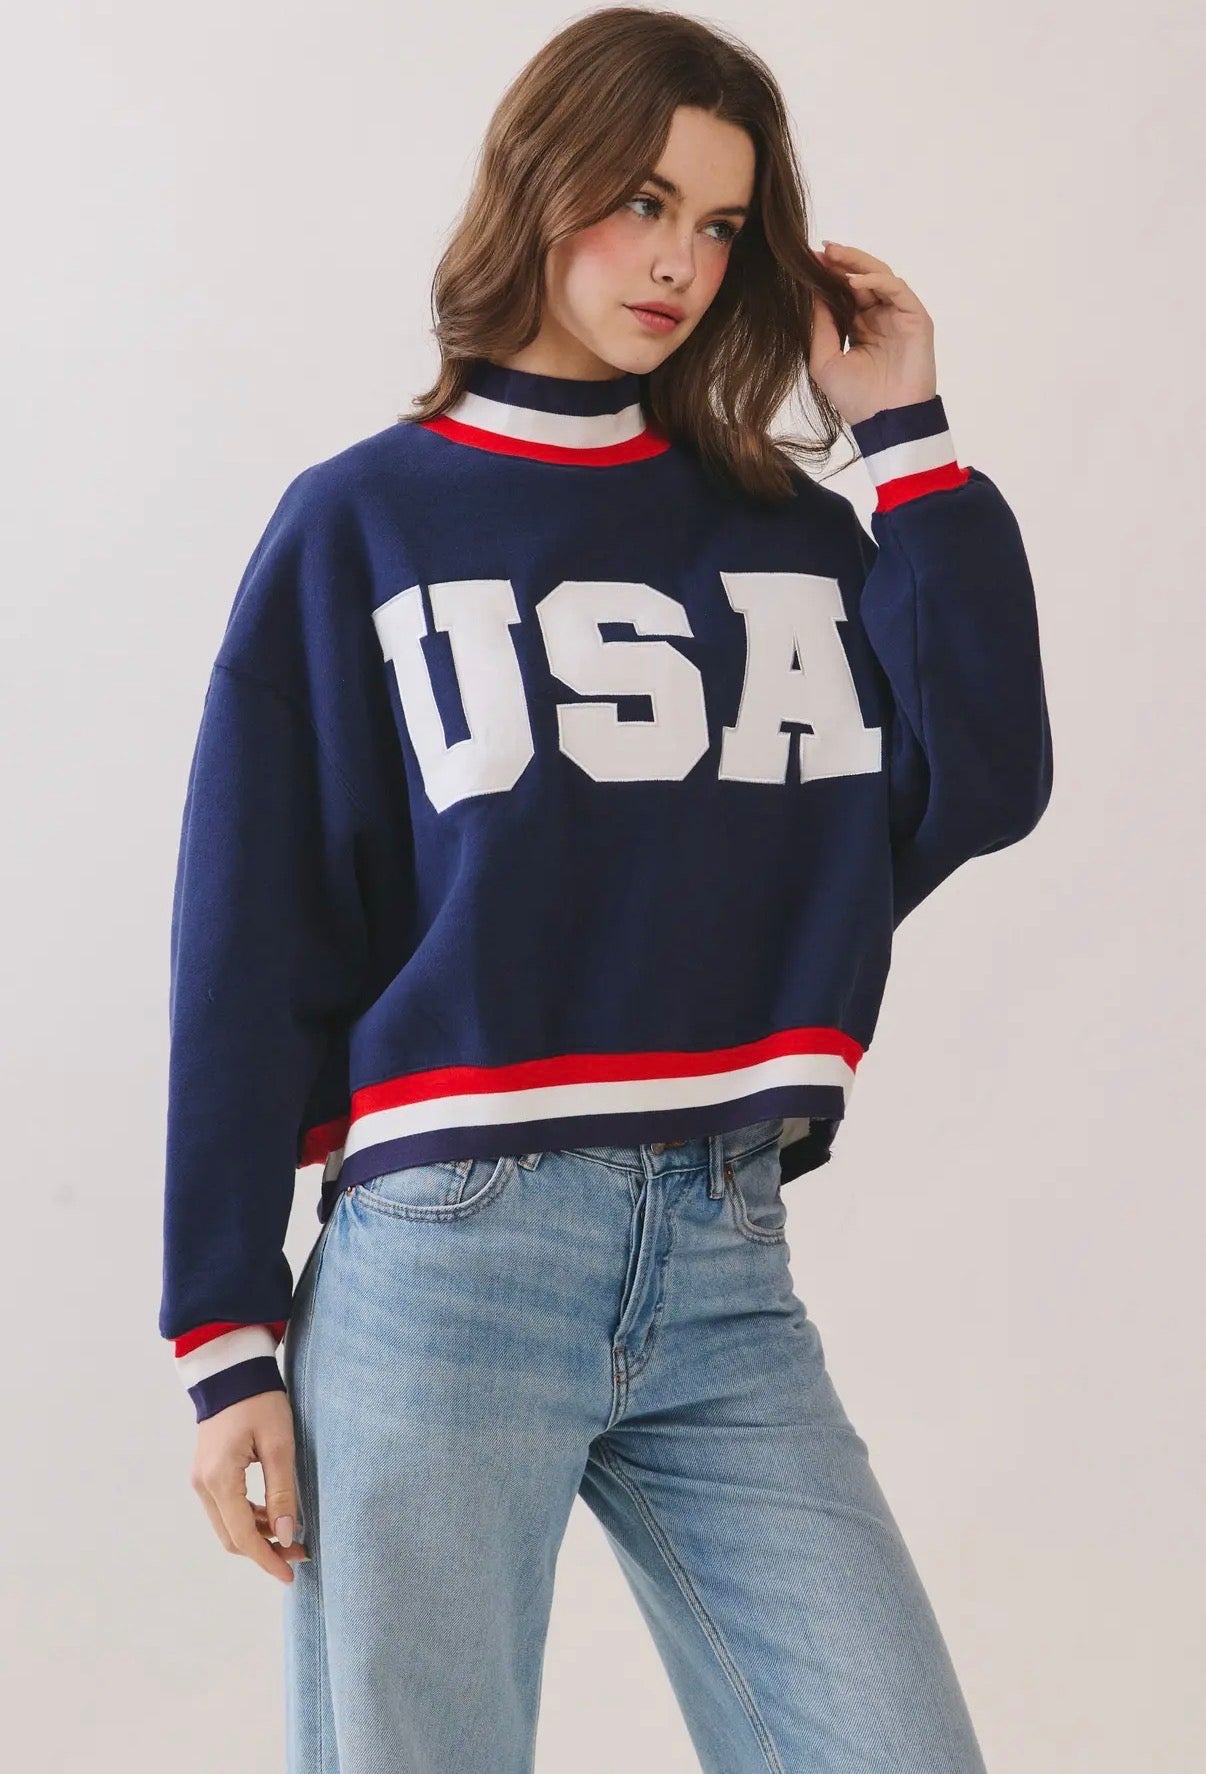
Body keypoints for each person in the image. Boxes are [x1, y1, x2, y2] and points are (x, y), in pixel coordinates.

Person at [160, 8, 1053, 1770]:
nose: (677, 264)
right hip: (446, 1261)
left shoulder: (789, 534)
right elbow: (247, 941)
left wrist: (907, 438)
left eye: (719, 225)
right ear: (536, 181)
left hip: (724, 1258)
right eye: (642, 201)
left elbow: (981, 782)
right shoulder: (362, 522)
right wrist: (223, 1333)